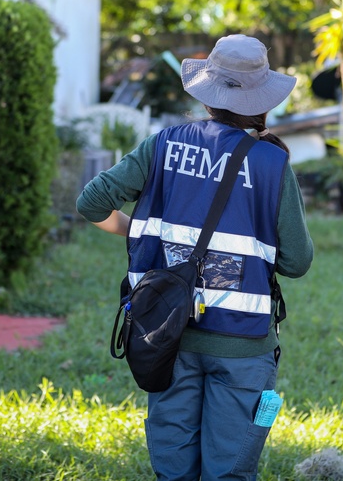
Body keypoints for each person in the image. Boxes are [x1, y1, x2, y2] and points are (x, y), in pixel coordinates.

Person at [77, 34, 314, 481]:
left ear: (208, 95)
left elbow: (91, 202)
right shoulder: (271, 163)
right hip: (242, 345)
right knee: (230, 472)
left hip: (166, 335)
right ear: (262, 100)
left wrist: (138, 230)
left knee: (174, 469)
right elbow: (297, 262)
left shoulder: (163, 144)